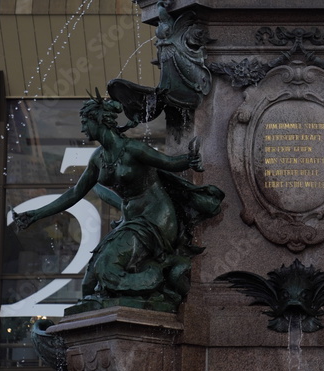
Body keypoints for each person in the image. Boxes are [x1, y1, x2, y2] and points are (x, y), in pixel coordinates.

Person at [13, 96, 223, 312]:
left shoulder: (133, 149)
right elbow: (75, 193)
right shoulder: (98, 158)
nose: (83, 128)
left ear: (99, 121)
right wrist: (36, 214)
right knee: (90, 279)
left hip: (156, 219)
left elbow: (170, 163)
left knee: (107, 266)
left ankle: (154, 281)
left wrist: (192, 160)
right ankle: (101, 312)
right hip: (131, 221)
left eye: (86, 122)